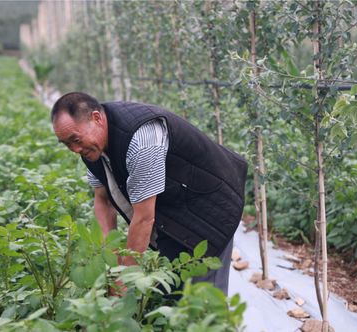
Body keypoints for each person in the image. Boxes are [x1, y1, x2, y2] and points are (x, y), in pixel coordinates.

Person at [51, 92, 247, 295]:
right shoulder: (91, 148)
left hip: (211, 205)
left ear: (97, 118)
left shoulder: (141, 139)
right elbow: (103, 201)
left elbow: (144, 218)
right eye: (66, 144)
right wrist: (112, 262)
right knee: (171, 290)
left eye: (75, 139)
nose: (74, 149)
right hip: (174, 206)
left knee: (201, 301)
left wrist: (123, 280)